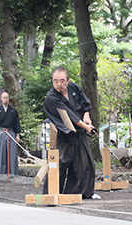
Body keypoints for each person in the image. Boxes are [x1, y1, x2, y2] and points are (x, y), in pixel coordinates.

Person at [43, 66, 101, 199]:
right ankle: (52, 192)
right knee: (60, 162)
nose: (59, 84)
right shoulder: (51, 97)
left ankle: (84, 193)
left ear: (67, 80)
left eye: (62, 81)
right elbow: (68, 116)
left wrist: (87, 116)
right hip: (64, 135)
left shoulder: (74, 88)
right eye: (56, 81)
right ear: (52, 81)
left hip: (79, 134)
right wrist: (86, 127)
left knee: (86, 164)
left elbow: (85, 103)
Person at [0, 92, 21, 175]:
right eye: (4, 97)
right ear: (1, 99)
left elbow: (17, 123)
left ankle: (12, 173)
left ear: (9, 99)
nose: (5, 99)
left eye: (7, 97)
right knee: (0, 153)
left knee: (12, 153)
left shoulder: (13, 110)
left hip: (11, 132)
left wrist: (17, 135)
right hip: (1, 132)